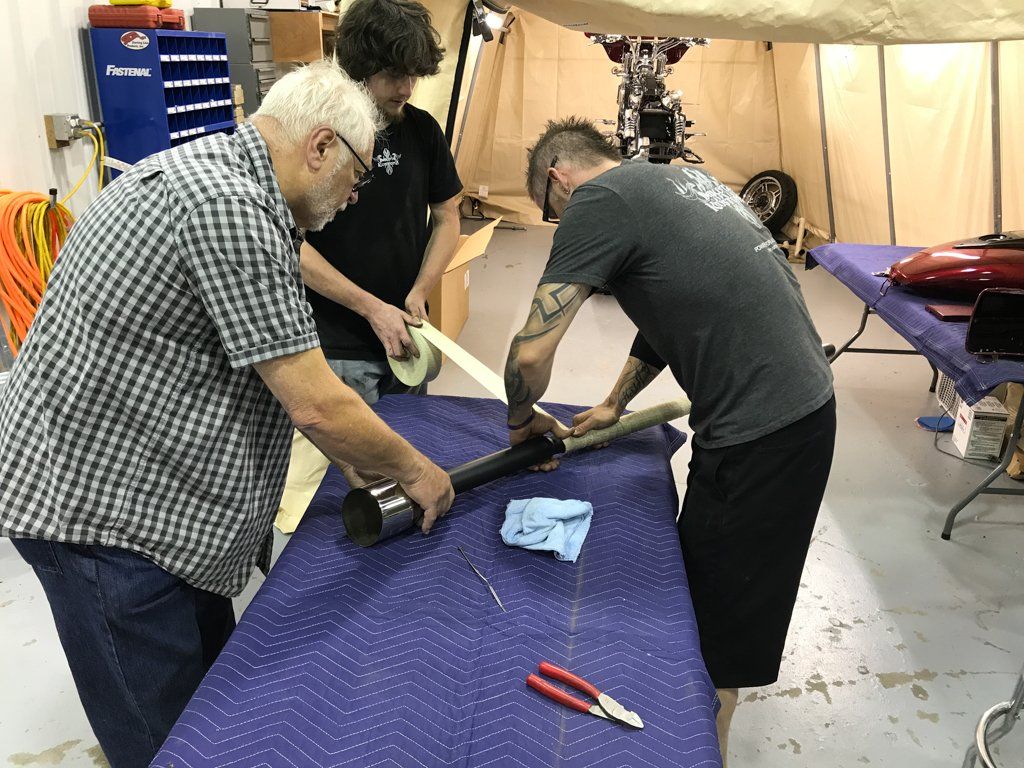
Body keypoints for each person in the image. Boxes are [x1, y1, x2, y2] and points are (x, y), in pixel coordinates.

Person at [0, 61, 453, 768]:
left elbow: (263, 358)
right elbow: (314, 401)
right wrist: (418, 471)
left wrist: (352, 456)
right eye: (357, 176)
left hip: (152, 498)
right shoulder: (226, 205)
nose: (355, 195)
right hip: (102, 519)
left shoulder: (227, 179)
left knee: (212, 706)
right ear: (322, 145)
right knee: (168, 744)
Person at [501, 117, 836, 766]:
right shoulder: (673, 181)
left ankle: (706, 750)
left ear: (558, 179)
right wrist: (614, 402)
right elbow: (671, 307)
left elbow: (531, 354)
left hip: (763, 437)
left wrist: (520, 423)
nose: (558, 224)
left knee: (715, 635)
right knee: (705, 594)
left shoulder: (594, 200)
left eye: (550, 213)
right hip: (796, 412)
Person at [301, 0, 463, 404]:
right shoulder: (319, 138)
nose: (406, 89)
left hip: (407, 336)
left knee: (411, 436)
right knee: (349, 448)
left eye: (412, 75)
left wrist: (421, 290)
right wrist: (371, 309)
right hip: (337, 346)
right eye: (393, 75)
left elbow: (447, 218)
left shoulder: (424, 130)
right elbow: (290, 245)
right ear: (360, 69)